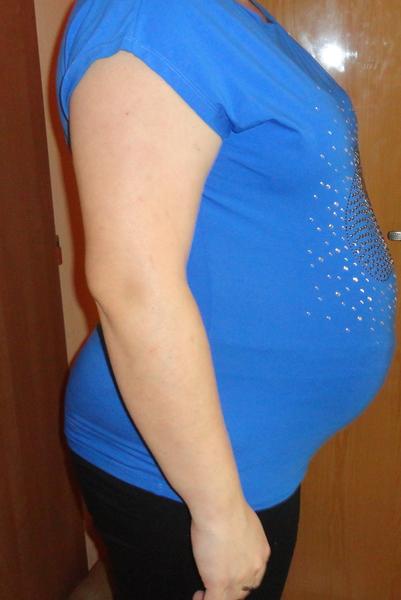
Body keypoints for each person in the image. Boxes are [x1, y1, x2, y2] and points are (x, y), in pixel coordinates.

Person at [56, 0, 398, 598]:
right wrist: (216, 513)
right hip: (186, 467)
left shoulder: (229, 14)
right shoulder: (151, 15)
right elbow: (132, 287)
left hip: (246, 448)